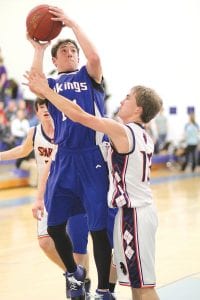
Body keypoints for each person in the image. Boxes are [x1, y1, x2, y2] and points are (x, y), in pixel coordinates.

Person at [25, 70, 162, 300]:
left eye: (128, 97)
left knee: (143, 288)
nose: (121, 100)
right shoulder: (142, 135)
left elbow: (80, 116)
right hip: (135, 213)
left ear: (138, 109)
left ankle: (101, 289)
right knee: (133, 280)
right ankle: (102, 289)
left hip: (135, 215)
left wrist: (47, 91)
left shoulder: (123, 131)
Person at [27, 6, 113, 300]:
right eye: (63, 51)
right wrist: (39, 49)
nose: (70, 54)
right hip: (64, 158)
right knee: (53, 226)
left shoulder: (89, 77)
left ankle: (103, 290)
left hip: (91, 158)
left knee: (98, 229)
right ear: (55, 59)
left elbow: (96, 57)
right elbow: (36, 78)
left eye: (72, 51)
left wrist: (73, 25)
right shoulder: (52, 84)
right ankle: (74, 274)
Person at [0, 98, 91, 298]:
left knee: (78, 245)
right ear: (37, 112)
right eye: (42, 107)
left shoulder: (66, 129)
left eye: (49, 106)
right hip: (47, 194)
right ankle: (74, 273)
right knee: (45, 243)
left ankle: (83, 282)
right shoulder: (34, 132)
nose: (46, 110)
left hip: (72, 191)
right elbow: (22, 151)